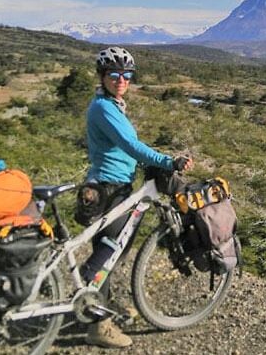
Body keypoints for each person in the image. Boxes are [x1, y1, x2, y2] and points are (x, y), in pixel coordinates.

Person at [80, 46, 193, 348]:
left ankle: (103, 304)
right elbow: (131, 145)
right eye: (114, 74)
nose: (121, 79)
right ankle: (97, 326)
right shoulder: (104, 108)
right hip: (110, 188)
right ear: (103, 76)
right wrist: (168, 161)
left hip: (113, 184)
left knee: (115, 252)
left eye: (126, 75)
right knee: (106, 254)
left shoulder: (110, 103)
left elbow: (126, 146)